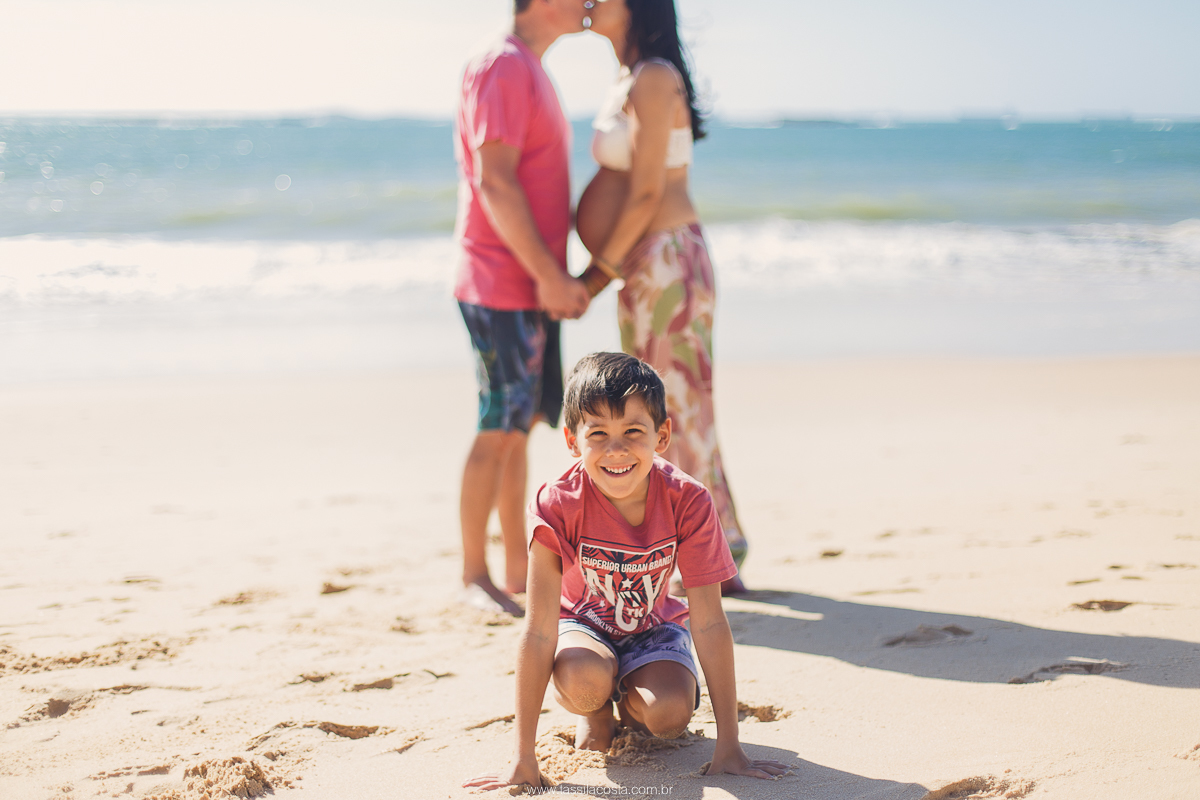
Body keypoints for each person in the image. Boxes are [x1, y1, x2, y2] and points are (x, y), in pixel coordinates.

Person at [463, 353, 789, 791]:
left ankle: (631, 708)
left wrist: (729, 744)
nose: (616, 449)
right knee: (584, 680)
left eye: (633, 431)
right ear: (572, 441)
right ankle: (595, 712)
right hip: (582, 628)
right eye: (598, 434)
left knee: (669, 715)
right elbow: (539, 630)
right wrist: (523, 757)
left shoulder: (687, 500)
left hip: (653, 629)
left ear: (662, 434)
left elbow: (710, 621)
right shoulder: (555, 504)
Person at [573, 0, 748, 594]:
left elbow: (647, 192)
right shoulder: (633, 75)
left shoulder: (652, 77)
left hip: (666, 260)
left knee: (673, 407)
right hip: (649, 265)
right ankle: (714, 548)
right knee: (672, 403)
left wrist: (595, 276)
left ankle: (703, 559)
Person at [453, 0, 592, 616]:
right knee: (498, 427)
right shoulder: (503, 65)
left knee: (517, 430)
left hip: (525, 284)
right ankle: (473, 577)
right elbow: (496, 181)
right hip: (501, 281)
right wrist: (548, 275)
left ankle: (514, 568)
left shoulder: (528, 66)